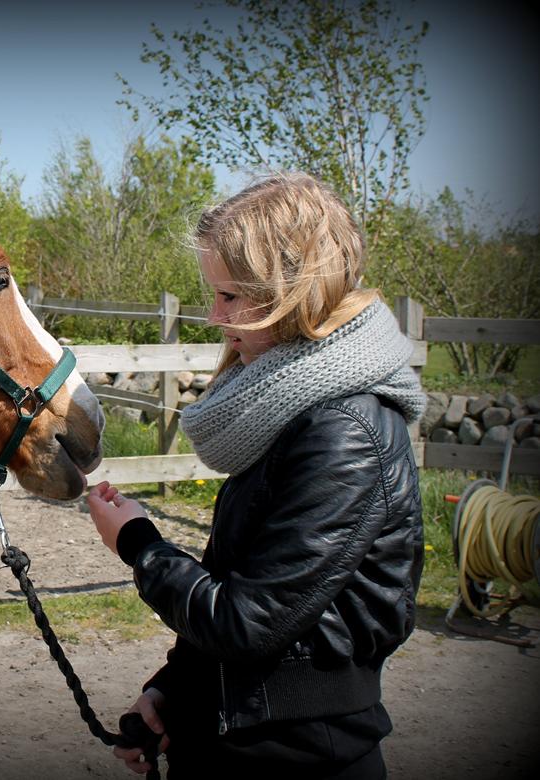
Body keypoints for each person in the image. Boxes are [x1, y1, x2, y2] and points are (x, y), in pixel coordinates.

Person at [87, 172, 426, 778]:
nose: (214, 317)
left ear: (294, 292)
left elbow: (248, 622)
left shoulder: (343, 431)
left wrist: (139, 545)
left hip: (296, 757)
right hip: (248, 737)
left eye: (230, 297)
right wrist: (173, 694)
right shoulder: (294, 411)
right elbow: (253, 584)